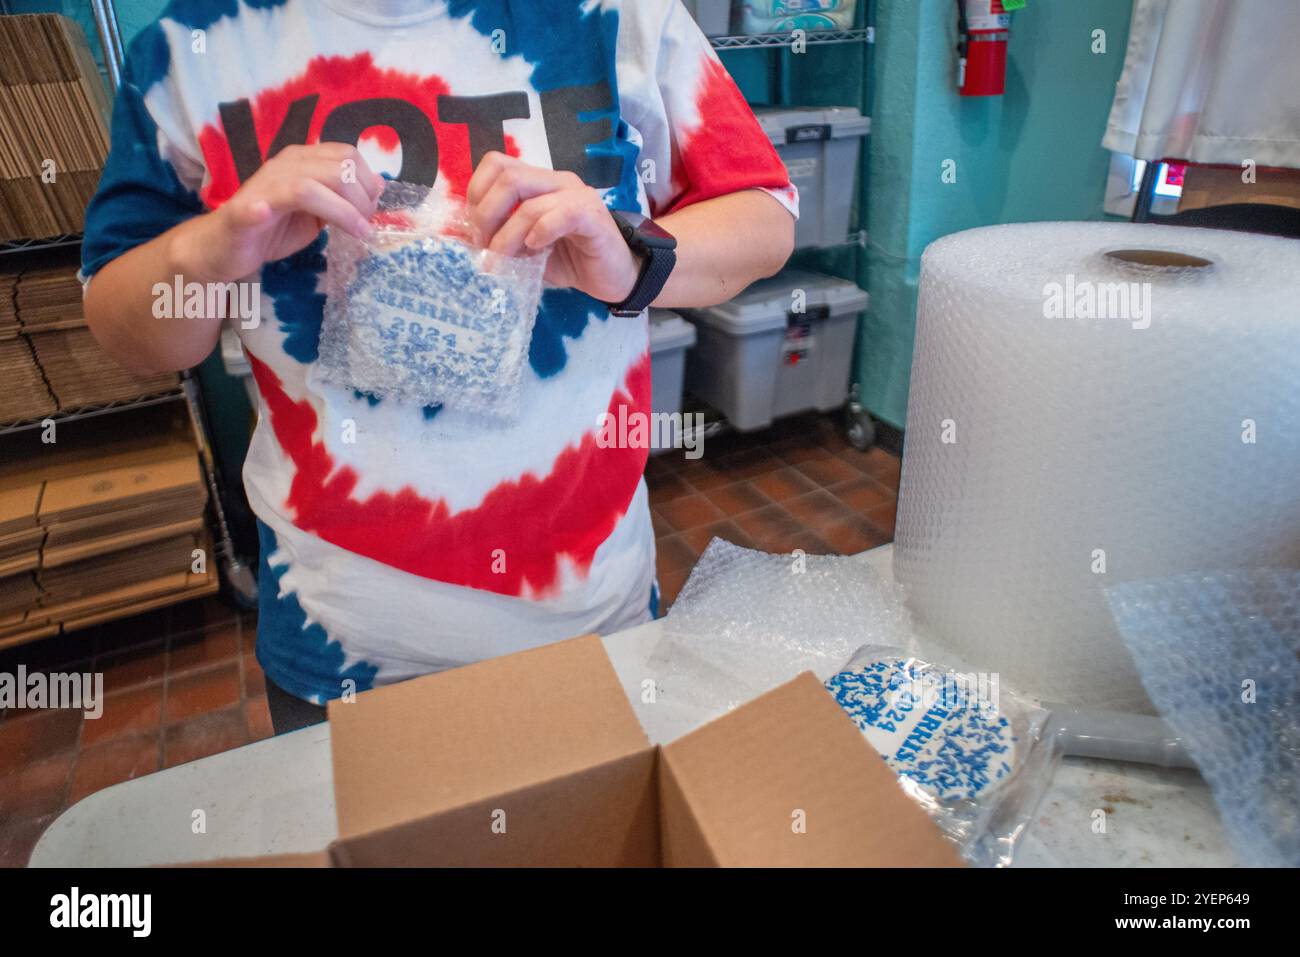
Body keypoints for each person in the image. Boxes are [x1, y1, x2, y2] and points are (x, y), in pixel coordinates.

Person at [82, 0, 797, 733]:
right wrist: (210, 247)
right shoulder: (193, 48)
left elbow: (764, 216)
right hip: (341, 645)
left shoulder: (618, 14)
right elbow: (127, 332)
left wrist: (631, 261)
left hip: (592, 621)